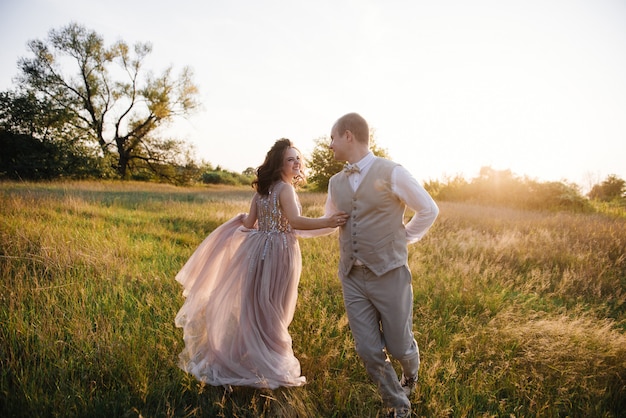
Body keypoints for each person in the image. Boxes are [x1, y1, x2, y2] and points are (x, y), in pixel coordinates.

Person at [174, 138, 349, 390]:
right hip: (280, 252)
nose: (297, 162)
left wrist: (248, 222)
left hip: (258, 251)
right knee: (276, 307)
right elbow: (296, 222)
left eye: (298, 157)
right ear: (279, 164)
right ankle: (272, 364)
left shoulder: (262, 192)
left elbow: (248, 225)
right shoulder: (285, 189)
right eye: (290, 159)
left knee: (258, 305)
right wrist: (329, 221)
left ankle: (257, 358)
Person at [323, 113, 439, 417]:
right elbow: (326, 223)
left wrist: (403, 238)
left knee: (400, 348)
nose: (330, 144)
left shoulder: (393, 172)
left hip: (390, 274)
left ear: (348, 136)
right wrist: (285, 229)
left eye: (332, 137)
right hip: (352, 275)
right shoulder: (335, 182)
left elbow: (428, 209)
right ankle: (399, 406)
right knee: (368, 351)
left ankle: (410, 373)